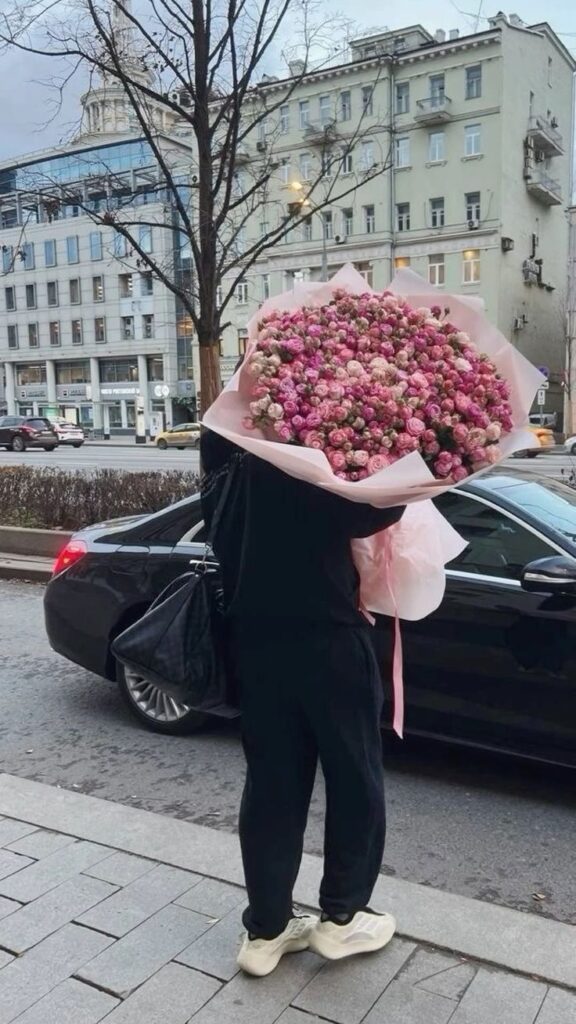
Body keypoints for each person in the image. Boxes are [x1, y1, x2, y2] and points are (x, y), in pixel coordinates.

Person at [201, 427, 404, 977]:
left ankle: (265, 931)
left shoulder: (222, 437)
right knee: (354, 775)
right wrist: (424, 469)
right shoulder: (305, 436)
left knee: (271, 784)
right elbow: (366, 513)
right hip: (330, 636)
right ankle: (341, 918)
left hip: (255, 641)